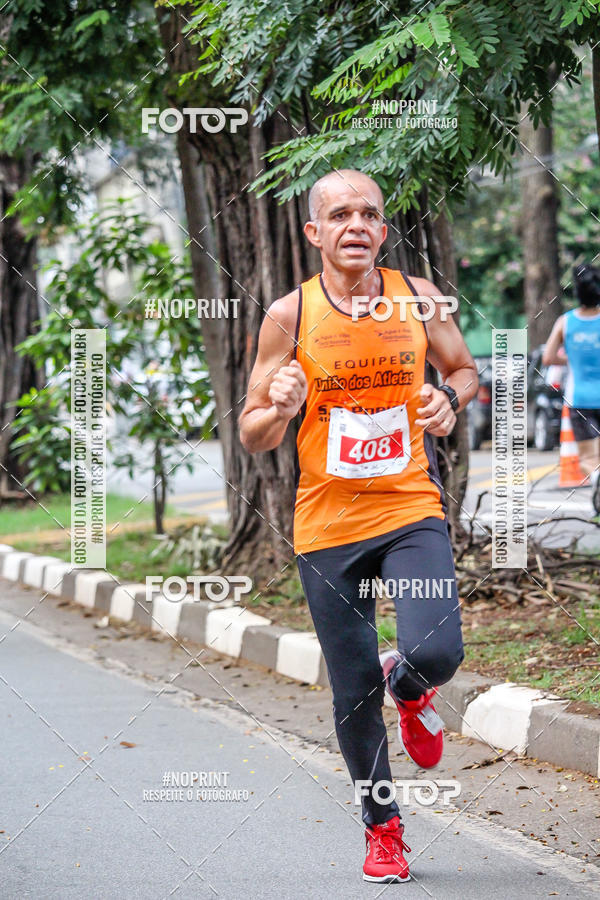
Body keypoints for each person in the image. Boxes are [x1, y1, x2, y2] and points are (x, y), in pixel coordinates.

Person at [239, 170, 479, 883]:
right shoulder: (289, 314)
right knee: (351, 695)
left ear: (381, 230)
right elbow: (252, 433)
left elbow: (464, 370)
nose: (356, 225)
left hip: (409, 506)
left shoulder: (419, 297)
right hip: (327, 523)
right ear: (314, 233)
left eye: (369, 214)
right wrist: (278, 408)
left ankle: (411, 683)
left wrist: (448, 399)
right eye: (339, 214)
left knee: (437, 649)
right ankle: (384, 830)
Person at [542, 263, 600, 514]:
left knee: (588, 458)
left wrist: (573, 358)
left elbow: (548, 358)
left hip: (580, 399)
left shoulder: (565, 322)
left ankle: (597, 481)